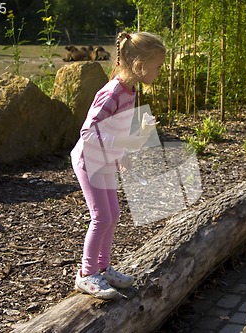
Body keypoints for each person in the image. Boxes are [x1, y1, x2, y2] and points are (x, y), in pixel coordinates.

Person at [70, 31, 166, 299]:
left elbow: (114, 129)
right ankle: (87, 274)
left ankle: (103, 268)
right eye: (157, 66)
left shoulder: (131, 90)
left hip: (104, 160)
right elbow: (88, 132)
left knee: (113, 215)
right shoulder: (113, 91)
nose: (159, 72)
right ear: (139, 65)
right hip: (89, 161)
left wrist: (123, 151)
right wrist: (121, 142)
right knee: (101, 217)